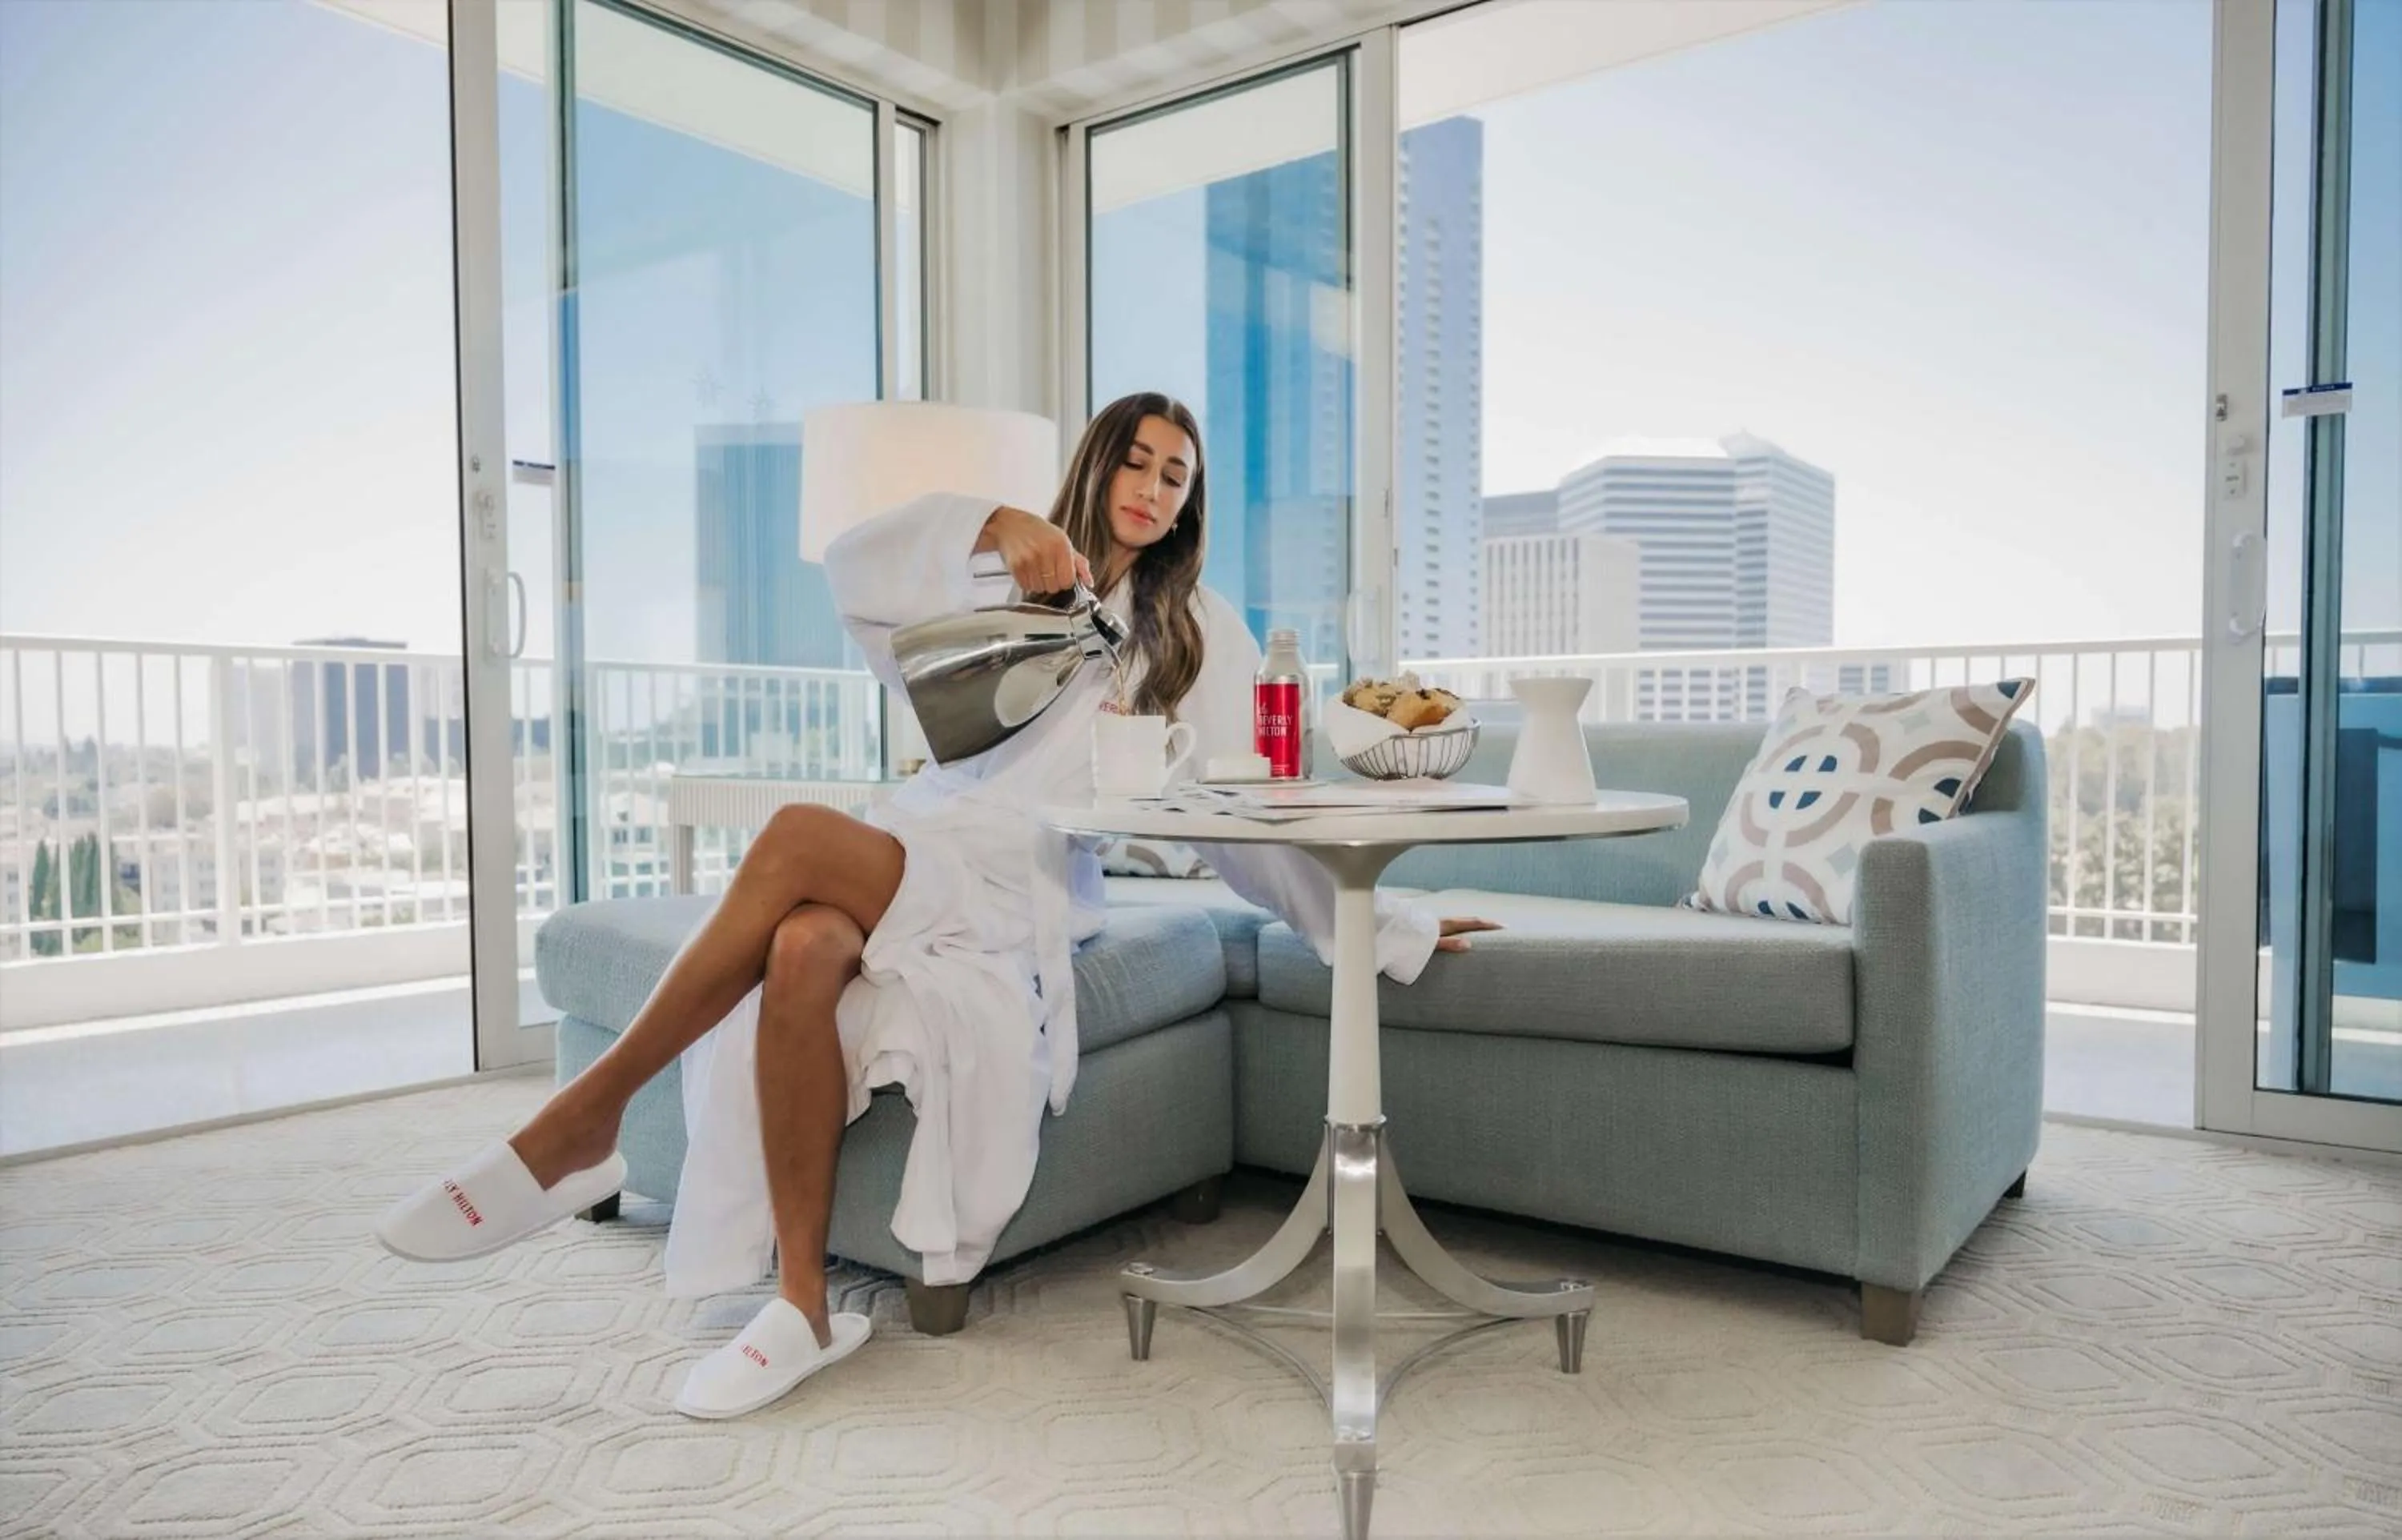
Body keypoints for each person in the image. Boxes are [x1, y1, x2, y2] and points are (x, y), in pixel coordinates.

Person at [375, 392, 1496, 1419]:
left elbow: (1240, 821)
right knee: (807, 946)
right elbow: (855, 569)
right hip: (925, 837)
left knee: (794, 839)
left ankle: (588, 1117)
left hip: (1022, 880)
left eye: (1178, 477)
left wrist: (1375, 920)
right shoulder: (1001, 573)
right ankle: (802, 1307)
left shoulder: (1194, 631)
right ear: (1098, 465)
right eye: (1138, 463)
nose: (1154, 489)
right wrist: (992, 518)